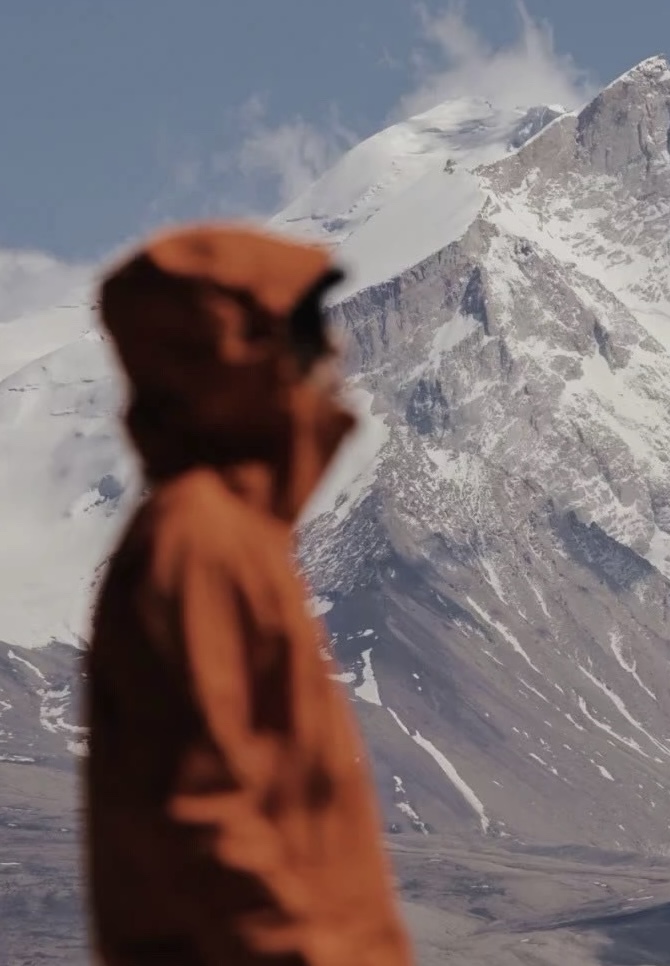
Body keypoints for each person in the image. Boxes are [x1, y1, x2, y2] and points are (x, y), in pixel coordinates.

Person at [83, 223, 414, 965]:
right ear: (248, 355)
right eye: (312, 330)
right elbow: (209, 814)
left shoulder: (230, 537)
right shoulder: (201, 543)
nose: (339, 348)